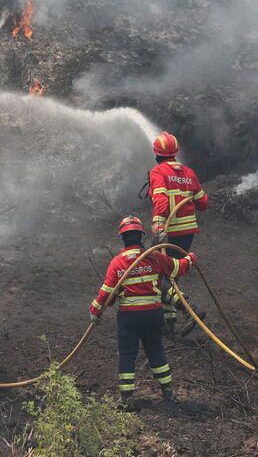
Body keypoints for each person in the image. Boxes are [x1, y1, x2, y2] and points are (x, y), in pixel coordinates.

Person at [89, 216, 197, 407]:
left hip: (129, 317)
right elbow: (177, 268)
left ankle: (126, 399)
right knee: (156, 351)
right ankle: (168, 391)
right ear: (141, 235)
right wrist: (191, 258)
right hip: (153, 315)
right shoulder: (153, 256)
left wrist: (95, 312)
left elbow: (107, 293)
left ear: (123, 238)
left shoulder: (117, 262)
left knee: (127, 355)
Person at [148, 131, 208, 334]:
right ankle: (169, 323)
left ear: (157, 153)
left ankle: (190, 310)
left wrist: (158, 225)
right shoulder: (189, 173)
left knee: (156, 277)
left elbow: (161, 200)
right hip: (187, 232)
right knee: (171, 274)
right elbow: (203, 203)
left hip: (169, 231)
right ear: (176, 153)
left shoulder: (158, 172)